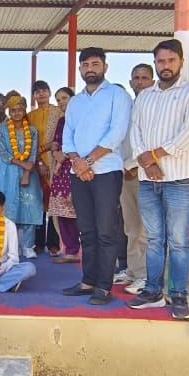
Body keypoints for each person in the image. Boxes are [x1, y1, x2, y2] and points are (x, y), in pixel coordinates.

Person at [128, 40, 189, 318]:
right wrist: (147, 163)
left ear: (181, 61)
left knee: (179, 241)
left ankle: (178, 295)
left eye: (171, 60)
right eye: (161, 61)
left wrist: (153, 156)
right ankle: (152, 291)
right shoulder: (145, 96)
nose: (166, 66)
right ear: (155, 63)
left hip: (178, 179)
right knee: (153, 239)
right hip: (148, 180)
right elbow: (135, 132)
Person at [59, 48, 132, 306]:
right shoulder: (76, 102)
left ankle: (103, 286)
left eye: (95, 64)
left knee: (106, 231)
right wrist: (78, 163)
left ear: (105, 67)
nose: (90, 69)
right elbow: (67, 135)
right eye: (86, 65)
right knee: (87, 230)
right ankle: (88, 281)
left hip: (106, 172)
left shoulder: (118, 96)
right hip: (78, 172)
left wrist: (87, 162)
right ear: (80, 69)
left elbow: (117, 133)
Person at [0, 94, 44, 259]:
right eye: (13, 110)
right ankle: (8, 246)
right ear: (9, 111)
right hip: (8, 172)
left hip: (29, 172)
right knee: (8, 208)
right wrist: (22, 164)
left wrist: (27, 172)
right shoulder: (3, 129)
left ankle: (28, 246)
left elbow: (33, 153)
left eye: (20, 110)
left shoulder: (32, 131)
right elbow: (4, 153)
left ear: (24, 110)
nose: (17, 113)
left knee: (30, 206)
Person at [118, 64, 153, 292]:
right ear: (130, 82)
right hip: (125, 173)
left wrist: (132, 165)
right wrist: (123, 166)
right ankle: (133, 270)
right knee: (130, 226)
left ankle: (145, 275)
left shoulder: (155, 107)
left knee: (144, 229)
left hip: (145, 173)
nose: (140, 82)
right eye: (136, 78)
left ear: (152, 82)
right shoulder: (127, 107)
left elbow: (151, 143)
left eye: (144, 78)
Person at [28, 81, 61, 257]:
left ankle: (54, 243)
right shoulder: (30, 116)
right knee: (39, 203)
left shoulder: (58, 112)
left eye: (44, 91)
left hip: (56, 162)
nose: (41, 94)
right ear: (34, 95)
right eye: (37, 92)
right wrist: (39, 162)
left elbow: (60, 138)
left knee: (55, 203)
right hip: (37, 163)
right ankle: (39, 242)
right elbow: (29, 142)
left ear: (49, 92)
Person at [48, 87, 80, 264]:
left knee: (76, 210)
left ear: (73, 99)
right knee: (62, 212)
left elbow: (81, 143)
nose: (61, 102)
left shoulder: (81, 118)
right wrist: (55, 153)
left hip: (76, 168)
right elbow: (55, 142)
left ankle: (79, 249)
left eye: (64, 98)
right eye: (58, 99)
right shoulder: (61, 121)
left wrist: (64, 155)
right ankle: (70, 250)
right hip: (60, 171)